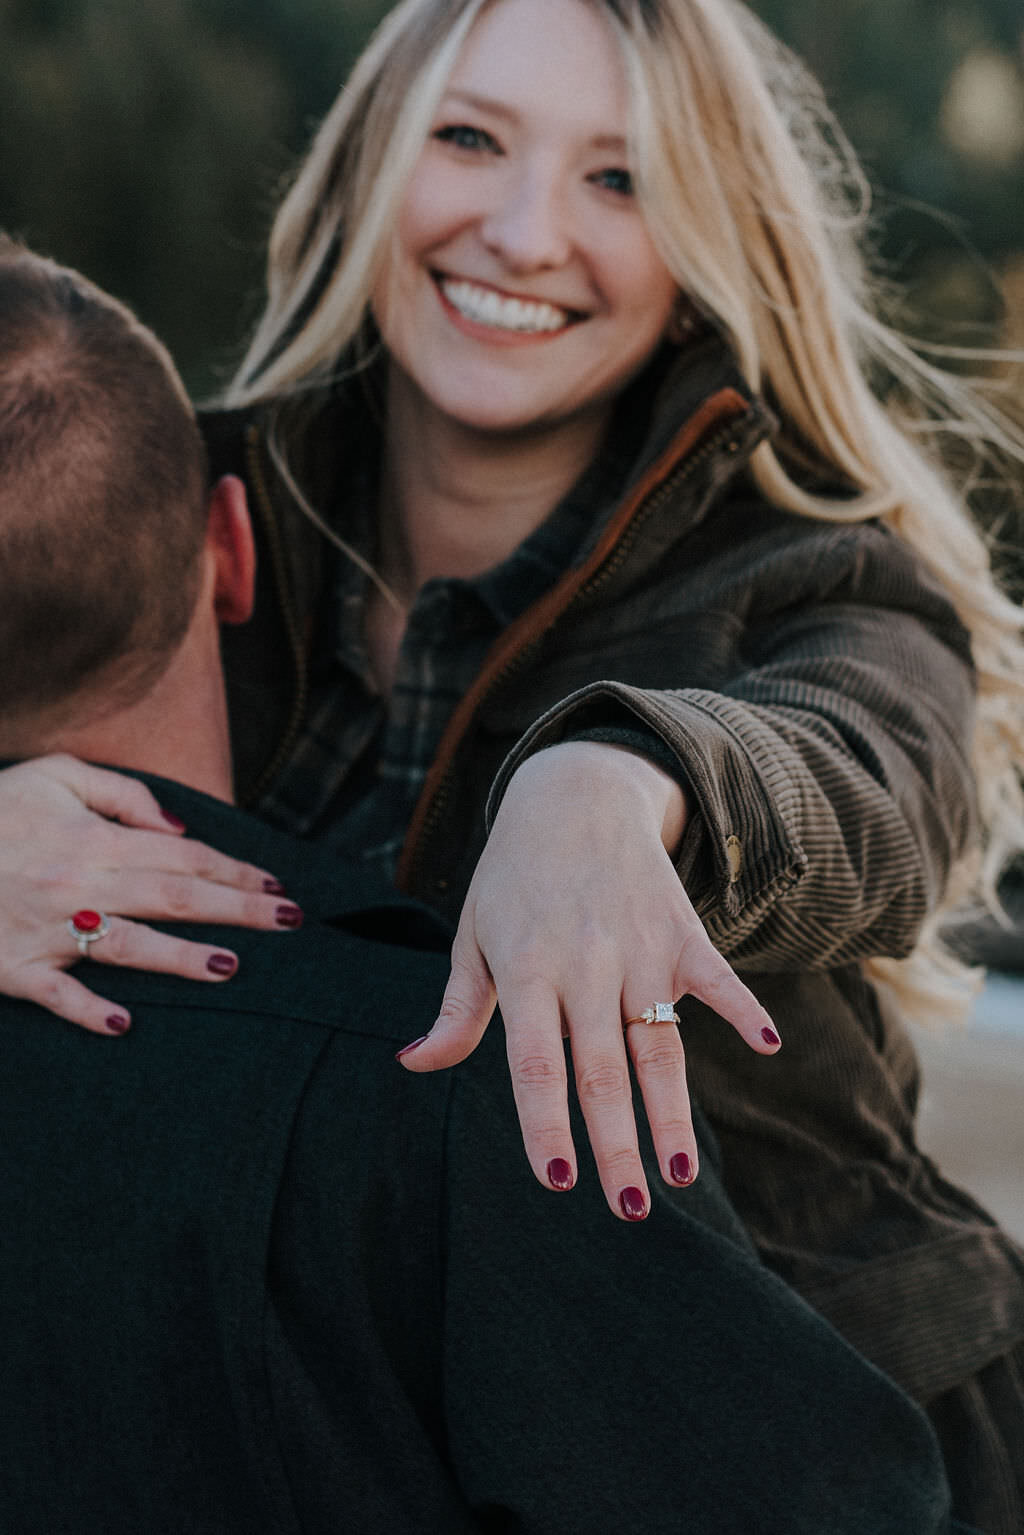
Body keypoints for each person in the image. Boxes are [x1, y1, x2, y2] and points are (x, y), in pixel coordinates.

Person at [1, 0, 1023, 1524]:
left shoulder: (820, 588)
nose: (527, 231)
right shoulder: (197, 498)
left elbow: (877, 775)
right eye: (471, 140)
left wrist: (614, 782)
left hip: (805, 1442)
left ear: (705, 247)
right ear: (370, 167)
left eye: (625, 180)